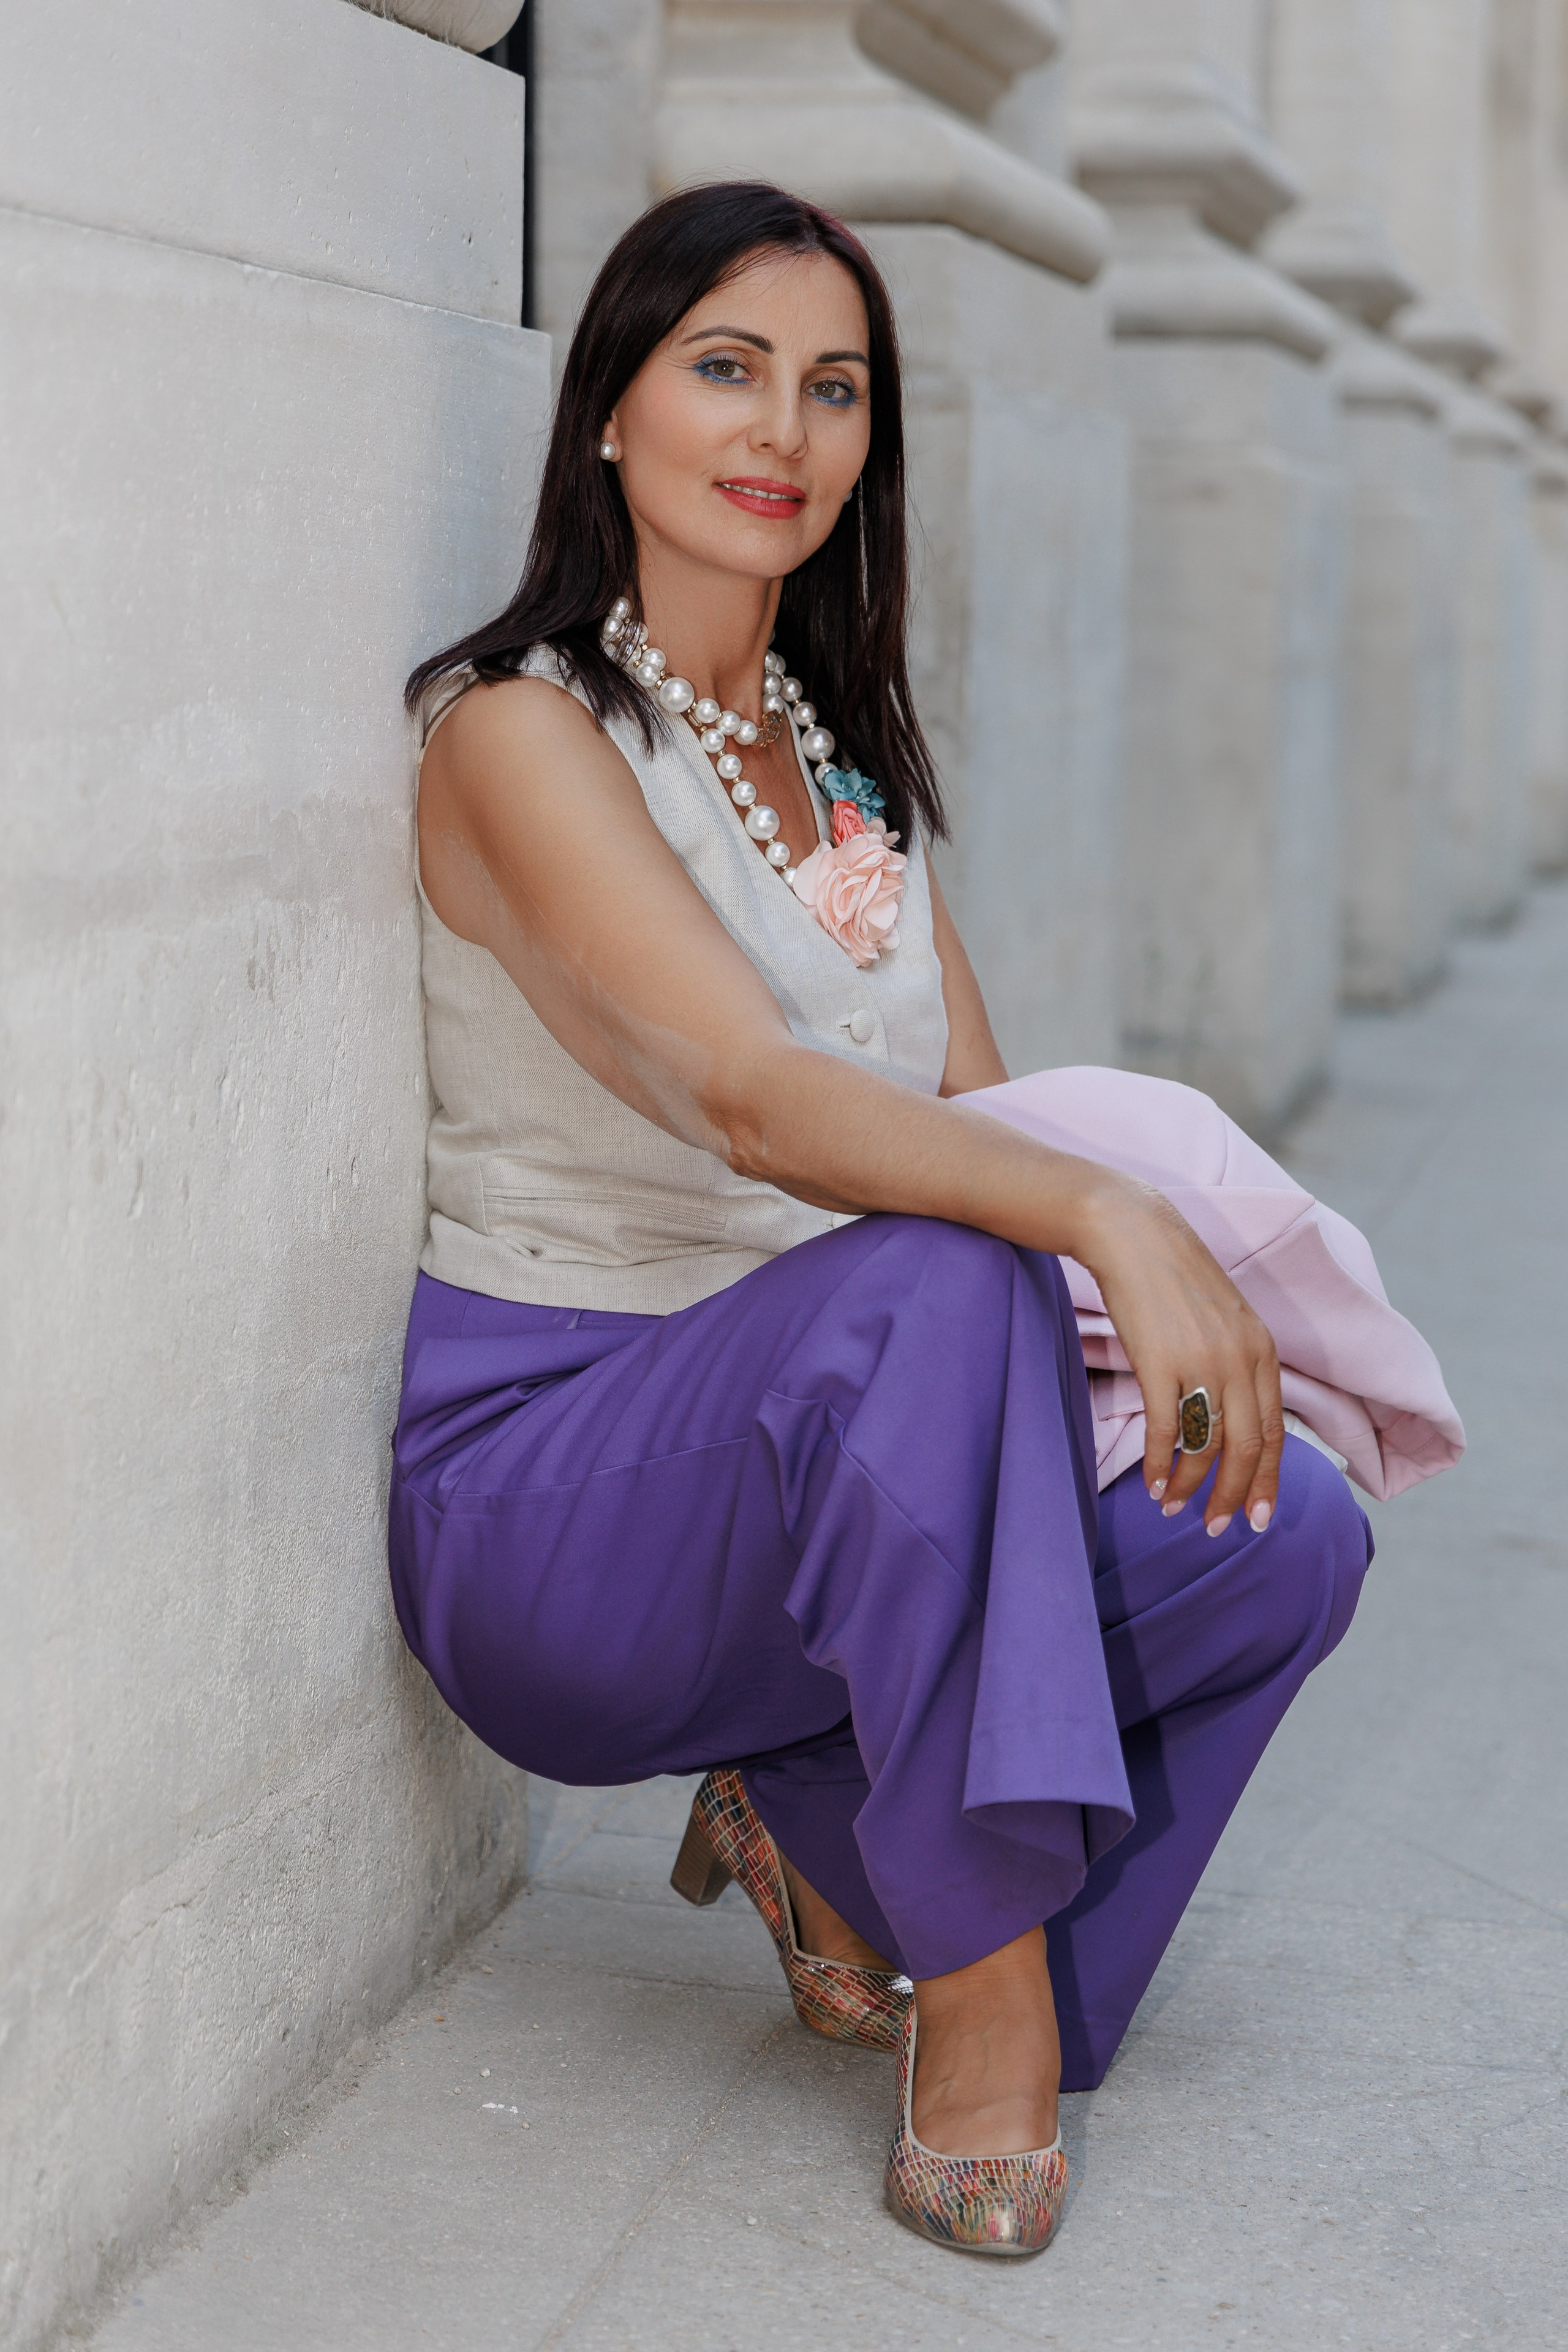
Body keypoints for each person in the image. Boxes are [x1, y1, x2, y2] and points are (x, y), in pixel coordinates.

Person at [390, 180, 1377, 2258]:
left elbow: (963, 1122)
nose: (786, 430)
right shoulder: (519, 734)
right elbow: (754, 1101)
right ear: (608, 414)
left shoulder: (850, 785)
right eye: (726, 367)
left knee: (1280, 1535)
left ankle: (845, 1839)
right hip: (553, 1499)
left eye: (836, 389)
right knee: (943, 1275)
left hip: (823, 1478)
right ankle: (987, 1985)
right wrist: (1113, 1210)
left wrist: (1115, 1244)